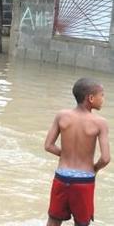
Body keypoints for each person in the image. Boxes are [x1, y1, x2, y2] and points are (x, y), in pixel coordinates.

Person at [44, 78, 110, 226]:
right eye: (102, 95)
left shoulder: (62, 115)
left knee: (54, 220)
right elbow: (105, 158)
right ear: (91, 98)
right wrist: (94, 168)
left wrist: (67, 154)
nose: (103, 99)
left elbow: (48, 145)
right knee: (82, 223)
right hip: (84, 181)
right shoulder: (100, 123)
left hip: (61, 177)